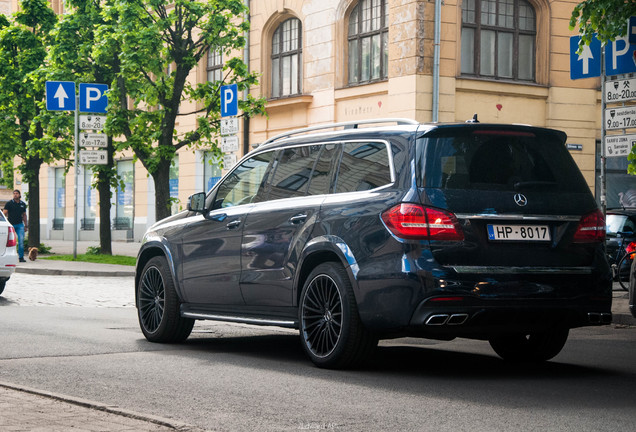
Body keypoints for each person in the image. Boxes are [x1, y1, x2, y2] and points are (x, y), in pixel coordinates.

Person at [3, 190, 27, 262]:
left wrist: (26, 225)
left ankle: (21, 257)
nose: (15, 195)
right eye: (14, 194)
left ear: (19, 195)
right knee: (8, 241)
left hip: (20, 225)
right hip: (11, 225)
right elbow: (4, 214)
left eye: (17, 193)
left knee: (21, 241)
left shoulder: (23, 204)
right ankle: (7, 256)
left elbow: (24, 215)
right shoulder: (9, 203)